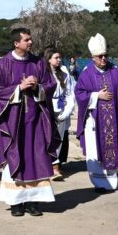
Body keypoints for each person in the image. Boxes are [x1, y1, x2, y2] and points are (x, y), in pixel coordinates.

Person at [0, 28, 58, 216]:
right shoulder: (3, 64)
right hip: (14, 122)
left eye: (30, 39)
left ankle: (34, 202)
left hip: (35, 121)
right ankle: (16, 203)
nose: (30, 42)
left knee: (37, 158)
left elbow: (51, 85)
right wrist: (19, 88)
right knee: (15, 156)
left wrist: (37, 87)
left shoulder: (38, 62)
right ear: (16, 43)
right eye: (27, 40)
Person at [76, 34, 118, 193]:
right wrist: (95, 96)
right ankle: (99, 183)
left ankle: (113, 180)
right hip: (95, 122)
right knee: (96, 149)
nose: (104, 58)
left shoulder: (115, 71)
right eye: (100, 56)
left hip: (114, 120)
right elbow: (79, 93)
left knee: (114, 144)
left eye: (105, 55)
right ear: (93, 57)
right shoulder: (87, 73)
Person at [45, 48, 75, 180]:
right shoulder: (43, 73)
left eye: (59, 57)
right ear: (49, 59)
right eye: (56, 57)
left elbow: (69, 94)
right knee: (46, 138)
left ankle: (55, 166)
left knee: (58, 139)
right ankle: (45, 165)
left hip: (61, 109)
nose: (59, 60)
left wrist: (68, 111)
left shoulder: (64, 73)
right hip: (46, 109)